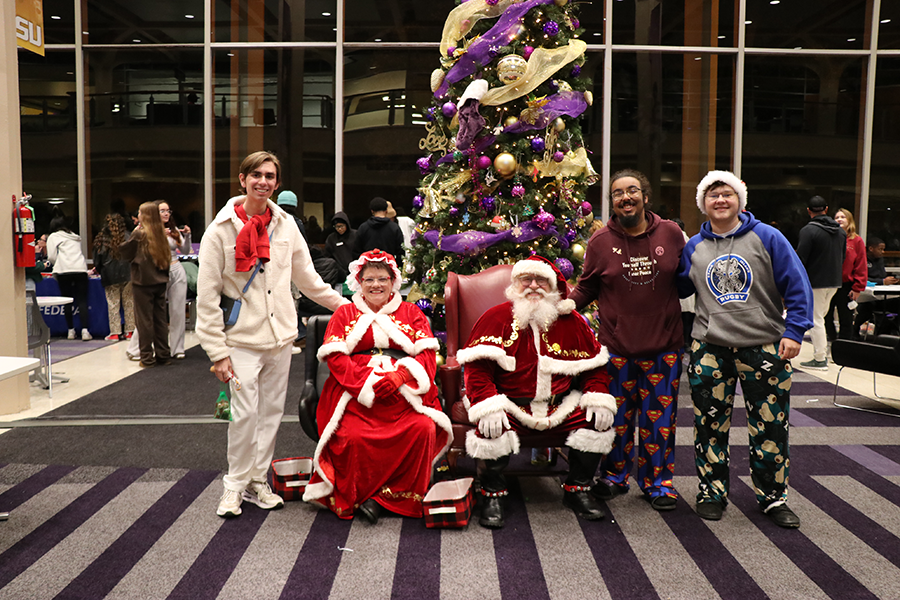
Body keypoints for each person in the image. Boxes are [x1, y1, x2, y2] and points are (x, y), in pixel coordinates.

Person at [196, 151, 347, 518]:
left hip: (281, 340)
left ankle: (257, 482)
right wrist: (217, 352)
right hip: (241, 342)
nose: (263, 182)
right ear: (242, 179)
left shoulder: (286, 226)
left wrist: (348, 307)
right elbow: (207, 296)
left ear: (277, 184)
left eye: (270, 176)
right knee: (243, 417)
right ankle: (234, 486)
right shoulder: (219, 231)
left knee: (270, 416)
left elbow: (308, 280)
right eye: (256, 175)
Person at [678, 170, 813, 528]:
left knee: (771, 426)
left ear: (740, 199)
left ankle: (773, 497)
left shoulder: (767, 237)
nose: (720, 200)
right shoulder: (692, 246)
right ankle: (711, 492)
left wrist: (795, 330)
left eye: (727, 194)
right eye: (712, 195)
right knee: (708, 424)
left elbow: (797, 284)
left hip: (764, 346)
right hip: (710, 348)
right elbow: (675, 286)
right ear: (702, 204)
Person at [458, 256, 617, 529]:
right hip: (510, 405)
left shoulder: (574, 323)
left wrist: (598, 396)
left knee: (596, 421)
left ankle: (577, 489)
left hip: (561, 406)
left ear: (554, 286)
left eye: (541, 280)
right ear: (515, 285)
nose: (533, 286)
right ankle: (492, 494)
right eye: (526, 280)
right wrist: (489, 404)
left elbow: (595, 369)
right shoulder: (494, 318)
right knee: (491, 425)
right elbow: (477, 371)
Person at [303, 249, 453, 523]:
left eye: (382, 279)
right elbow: (335, 359)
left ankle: (388, 497)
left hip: (405, 393)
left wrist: (402, 377)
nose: (376, 285)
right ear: (358, 282)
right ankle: (363, 496)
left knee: (421, 429)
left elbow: (428, 356)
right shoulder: (344, 313)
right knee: (351, 436)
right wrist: (366, 386)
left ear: (393, 281)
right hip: (355, 392)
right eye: (369, 279)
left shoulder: (411, 312)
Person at [570, 169, 685, 511]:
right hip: (616, 349)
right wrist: (558, 308)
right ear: (613, 204)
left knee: (659, 422)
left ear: (645, 196)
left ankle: (658, 484)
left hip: (664, 348)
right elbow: (587, 287)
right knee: (616, 420)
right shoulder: (600, 242)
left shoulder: (672, 233)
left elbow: (688, 278)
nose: (625, 197)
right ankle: (614, 476)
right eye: (617, 194)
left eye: (632, 190)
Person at [125, 201, 192, 360]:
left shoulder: (174, 230)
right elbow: (132, 250)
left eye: (168, 210)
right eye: (162, 211)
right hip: (156, 272)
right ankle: (136, 348)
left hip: (175, 268)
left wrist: (187, 236)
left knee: (177, 311)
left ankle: (177, 349)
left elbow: (184, 250)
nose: (166, 214)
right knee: (149, 313)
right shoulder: (143, 230)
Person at [796, 195, 846, 370]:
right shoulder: (840, 231)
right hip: (834, 281)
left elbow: (800, 259)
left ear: (809, 211)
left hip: (815, 281)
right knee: (821, 318)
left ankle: (819, 358)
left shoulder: (808, 231)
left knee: (816, 319)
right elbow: (843, 257)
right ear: (826, 209)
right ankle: (823, 354)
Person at [119, 202, 172, 367]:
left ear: (146, 216)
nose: (138, 216)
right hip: (160, 282)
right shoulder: (162, 234)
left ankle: (147, 357)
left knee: (144, 321)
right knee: (160, 320)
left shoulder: (139, 235)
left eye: (140, 213)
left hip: (143, 282)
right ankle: (163, 355)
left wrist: (133, 233)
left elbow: (125, 253)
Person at [46, 215, 92, 341]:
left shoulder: (54, 237)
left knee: (67, 300)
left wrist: (57, 263)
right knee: (82, 300)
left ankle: (70, 331)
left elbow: (51, 257)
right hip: (80, 269)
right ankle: (85, 331)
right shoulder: (74, 236)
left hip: (64, 270)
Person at [825, 208, 867, 341]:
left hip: (846, 285)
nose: (839, 219)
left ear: (849, 221)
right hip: (829, 283)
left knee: (846, 318)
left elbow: (861, 264)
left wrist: (857, 287)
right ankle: (831, 341)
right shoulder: (830, 238)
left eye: (843, 217)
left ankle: (844, 345)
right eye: (837, 217)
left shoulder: (856, 241)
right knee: (826, 316)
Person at [92, 213, 135, 341]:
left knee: (113, 304)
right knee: (129, 303)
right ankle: (130, 332)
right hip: (128, 274)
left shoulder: (102, 239)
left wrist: (100, 270)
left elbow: (97, 260)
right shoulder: (129, 236)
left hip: (110, 275)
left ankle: (115, 333)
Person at [853, 236, 900, 337]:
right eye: (880, 249)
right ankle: (855, 329)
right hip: (866, 296)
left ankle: (891, 330)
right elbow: (863, 279)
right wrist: (882, 282)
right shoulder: (862, 259)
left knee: (897, 302)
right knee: (868, 305)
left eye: (883, 249)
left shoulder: (880, 260)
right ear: (871, 249)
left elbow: (882, 275)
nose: (882, 252)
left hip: (882, 294)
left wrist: (890, 280)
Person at [352, 197, 404, 271]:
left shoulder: (363, 228)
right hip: (388, 269)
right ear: (386, 211)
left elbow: (356, 252)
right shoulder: (394, 228)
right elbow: (400, 252)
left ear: (372, 211)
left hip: (368, 270)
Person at [324, 211, 357, 277]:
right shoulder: (331, 238)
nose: (339, 229)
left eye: (341, 226)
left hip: (355, 270)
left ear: (346, 225)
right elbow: (328, 255)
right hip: (338, 272)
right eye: (337, 227)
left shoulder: (355, 235)